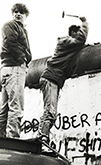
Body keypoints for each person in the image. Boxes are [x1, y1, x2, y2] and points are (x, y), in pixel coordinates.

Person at [38, 16, 89, 144]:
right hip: (50, 79)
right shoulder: (65, 41)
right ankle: (42, 138)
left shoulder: (68, 46)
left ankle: (43, 137)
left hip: (53, 79)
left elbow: (78, 46)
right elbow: (80, 40)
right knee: (50, 111)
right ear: (73, 33)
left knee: (52, 113)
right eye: (77, 33)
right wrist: (84, 22)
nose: (79, 36)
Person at [0, 3, 31, 138]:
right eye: (15, 12)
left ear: (25, 15)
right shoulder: (11, 25)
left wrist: (27, 58)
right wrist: (22, 59)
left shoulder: (20, 29)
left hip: (8, 69)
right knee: (16, 107)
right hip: (14, 68)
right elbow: (10, 42)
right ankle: (13, 140)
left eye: (21, 12)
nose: (18, 14)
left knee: (3, 109)